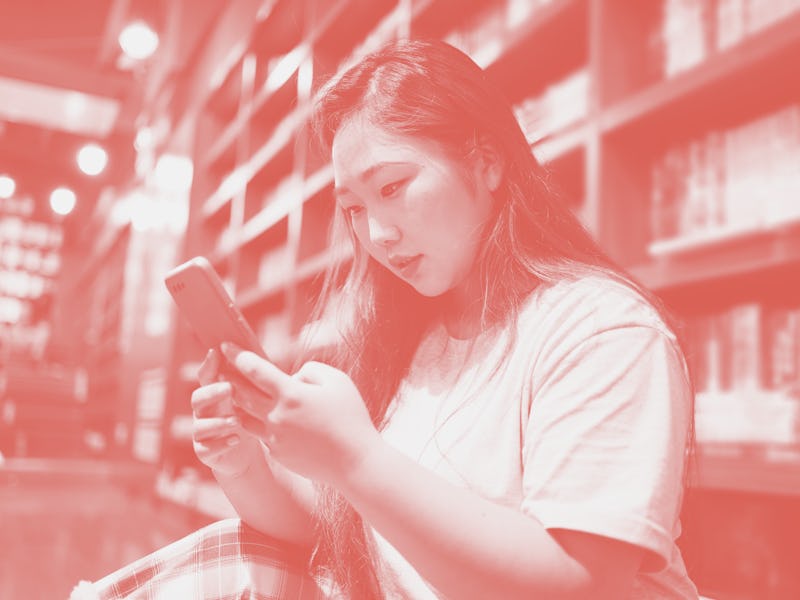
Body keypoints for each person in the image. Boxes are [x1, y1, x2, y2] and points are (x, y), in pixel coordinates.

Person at [74, 38, 699, 599]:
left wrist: (357, 460)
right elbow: (349, 532)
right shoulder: (413, 335)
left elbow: (580, 583)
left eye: (393, 188)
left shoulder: (603, 330)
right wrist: (243, 462)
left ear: (486, 162)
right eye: (353, 207)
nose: (377, 234)